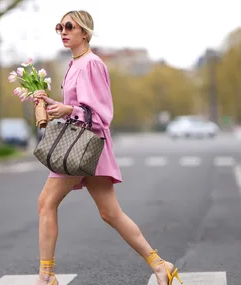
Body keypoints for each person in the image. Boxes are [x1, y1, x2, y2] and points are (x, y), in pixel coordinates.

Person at [35, 10, 183, 285]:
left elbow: (101, 114)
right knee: (110, 213)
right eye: (60, 27)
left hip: (83, 148)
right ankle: (160, 265)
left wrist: (68, 109)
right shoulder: (74, 64)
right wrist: (52, 104)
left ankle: (46, 277)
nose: (63, 31)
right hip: (81, 147)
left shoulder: (91, 64)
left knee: (46, 203)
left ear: (85, 32)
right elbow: (79, 108)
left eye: (69, 26)